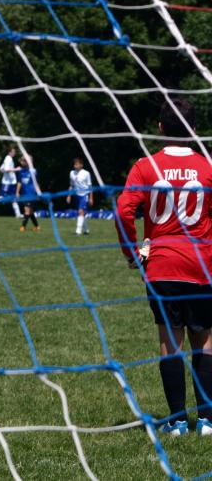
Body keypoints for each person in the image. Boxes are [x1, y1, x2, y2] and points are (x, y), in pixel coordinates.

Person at [116, 98, 212, 436]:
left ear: (159, 128)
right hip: (202, 266)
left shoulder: (145, 167)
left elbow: (123, 210)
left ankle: (175, 421)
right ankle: (205, 422)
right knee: (204, 343)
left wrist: (131, 252)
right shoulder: (207, 166)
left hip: (161, 266)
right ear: (194, 130)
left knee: (169, 344)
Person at [66, 157, 93, 235]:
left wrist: (91, 198)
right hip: (77, 195)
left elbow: (90, 186)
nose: (75, 166)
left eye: (77, 164)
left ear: (81, 165)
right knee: (82, 213)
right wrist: (68, 196)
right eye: (74, 164)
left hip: (84, 195)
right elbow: (71, 185)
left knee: (80, 212)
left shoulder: (86, 173)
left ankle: (78, 231)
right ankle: (86, 230)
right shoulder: (72, 173)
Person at [16, 155, 40, 231]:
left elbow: (36, 183)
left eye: (24, 161)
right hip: (24, 194)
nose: (22, 162)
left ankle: (23, 226)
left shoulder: (33, 171)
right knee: (30, 211)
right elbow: (19, 182)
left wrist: (39, 192)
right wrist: (17, 192)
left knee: (27, 210)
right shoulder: (21, 172)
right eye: (22, 161)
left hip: (31, 194)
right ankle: (37, 227)